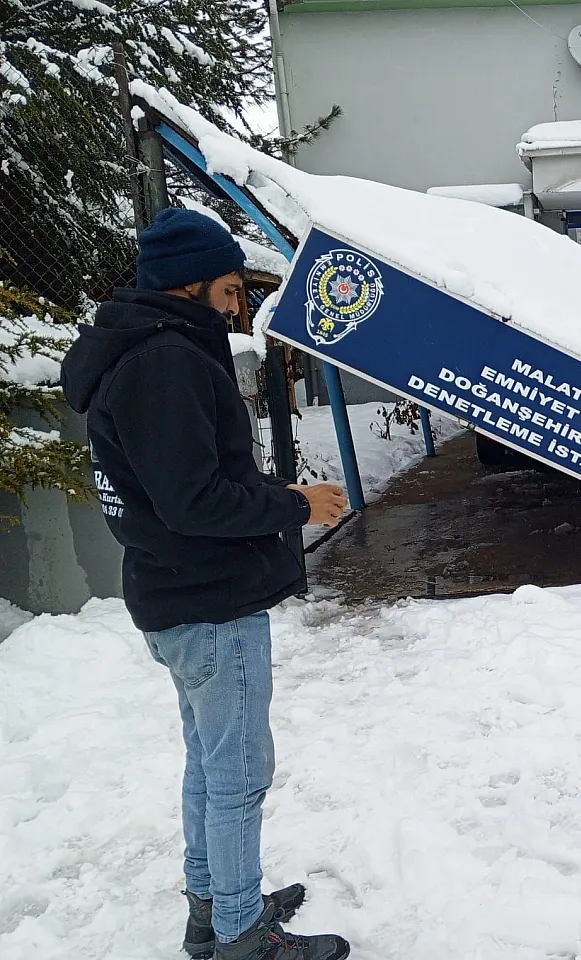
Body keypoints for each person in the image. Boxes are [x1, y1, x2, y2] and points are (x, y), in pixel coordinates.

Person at [60, 208, 351, 960]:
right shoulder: (168, 363)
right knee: (238, 774)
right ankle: (241, 935)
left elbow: (179, 487)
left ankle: (218, 903)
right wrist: (295, 504)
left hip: (179, 595)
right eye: (227, 289)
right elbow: (195, 501)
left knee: (210, 762)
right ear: (190, 281)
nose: (235, 306)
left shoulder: (146, 351)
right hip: (210, 604)